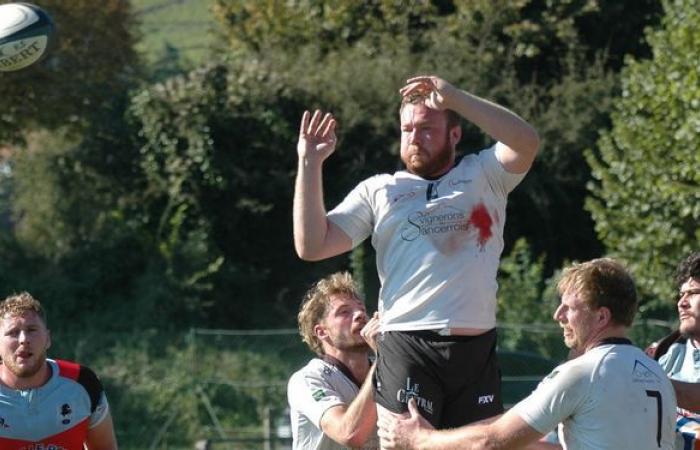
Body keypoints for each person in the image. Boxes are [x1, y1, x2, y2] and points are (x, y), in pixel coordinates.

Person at [293, 75, 540, 428]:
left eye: (425, 128)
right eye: (406, 129)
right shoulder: (379, 190)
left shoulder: (483, 174)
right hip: (407, 345)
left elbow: (526, 141)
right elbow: (312, 245)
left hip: (475, 346)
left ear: (454, 134)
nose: (414, 138)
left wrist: (454, 98)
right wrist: (309, 163)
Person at [377, 258, 677, 450]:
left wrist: (419, 439)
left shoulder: (584, 372)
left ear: (601, 317)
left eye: (569, 308)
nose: (558, 315)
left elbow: (492, 443)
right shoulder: (657, 374)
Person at [0, 292, 118, 449]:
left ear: (48, 339)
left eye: (32, 329)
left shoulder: (82, 382)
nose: (23, 339)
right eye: (13, 332)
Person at [288, 271, 381, 450]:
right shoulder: (307, 380)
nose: (360, 315)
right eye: (344, 312)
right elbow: (350, 434)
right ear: (322, 331)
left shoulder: (389, 368)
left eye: (361, 309)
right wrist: (384, 360)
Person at [649, 252, 700, 447]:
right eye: (681, 294)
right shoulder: (662, 352)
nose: (682, 302)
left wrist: (645, 382)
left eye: (693, 293)